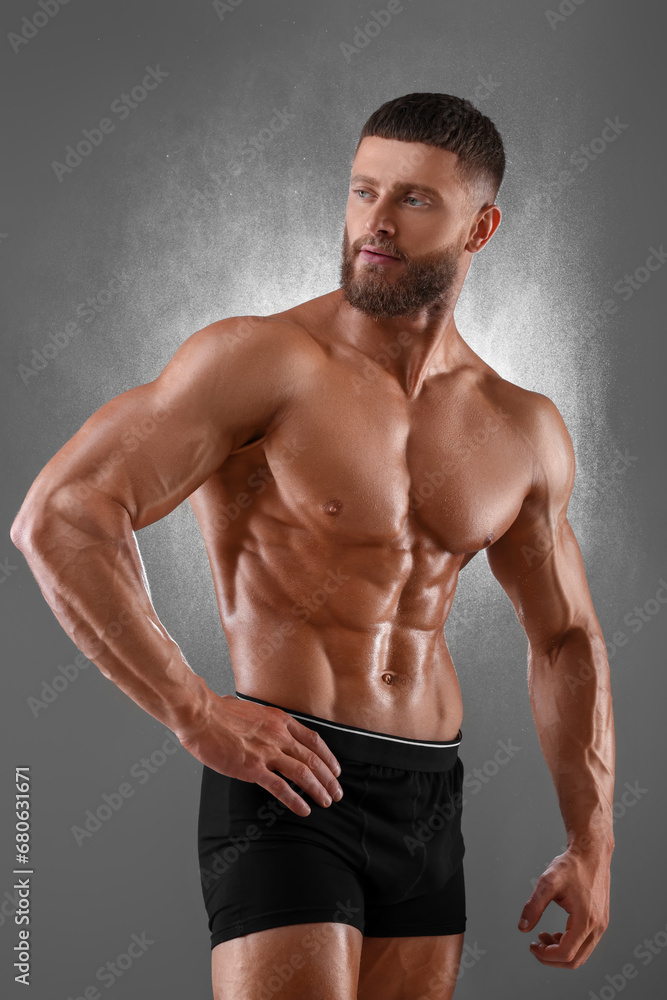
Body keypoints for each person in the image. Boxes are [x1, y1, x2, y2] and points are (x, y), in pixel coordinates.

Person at [10, 93, 615, 1000]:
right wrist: (193, 710)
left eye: (412, 200)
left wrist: (591, 843)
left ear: (479, 226)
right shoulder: (262, 362)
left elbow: (565, 637)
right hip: (287, 786)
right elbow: (61, 513)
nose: (374, 222)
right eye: (362, 190)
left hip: (426, 796)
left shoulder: (518, 426)